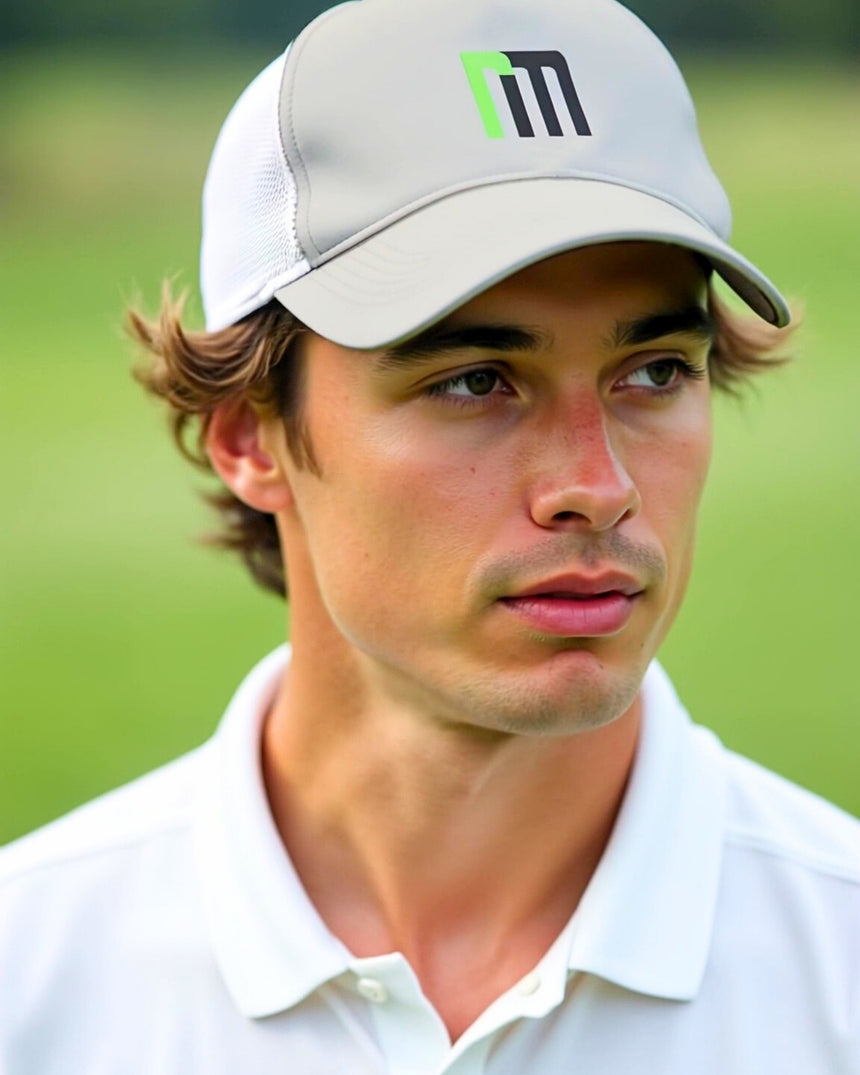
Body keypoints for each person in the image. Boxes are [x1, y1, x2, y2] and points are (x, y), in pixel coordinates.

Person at [1, 0, 858, 1070]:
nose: (596, 486)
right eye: (471, 381)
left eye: (653, 372)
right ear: (248, 438)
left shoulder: (838, 966)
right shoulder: (33, 976)